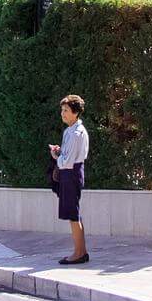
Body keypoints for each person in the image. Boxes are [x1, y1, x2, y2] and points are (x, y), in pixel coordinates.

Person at [48, 93, 90, 265]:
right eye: (62, 110)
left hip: (71, 173)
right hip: (71, 172)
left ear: (75, 112)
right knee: (74, 214)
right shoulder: (70, 131)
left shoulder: (76, 133)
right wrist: (60, 152)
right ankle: (81, 251)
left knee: (73, 215)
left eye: (66, 110)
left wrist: (55, 156)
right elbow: (67, 155)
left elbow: (67, 161)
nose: (63, 113)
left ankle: (79, 253)